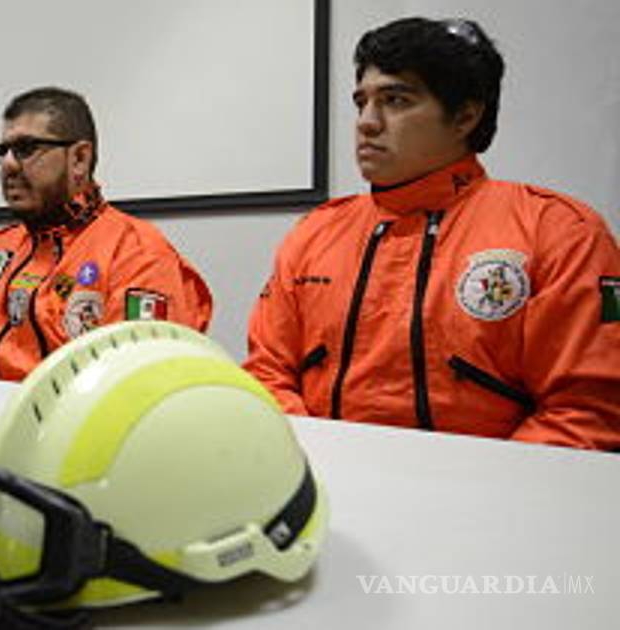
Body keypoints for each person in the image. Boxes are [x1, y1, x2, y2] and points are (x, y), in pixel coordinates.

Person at [244, 17, 620, 450]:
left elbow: (586, 410)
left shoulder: (559, 232)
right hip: (325, 479)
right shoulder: (315, 234)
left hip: (494, 489)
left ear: (465, 117)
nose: (366, 122)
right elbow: (267, 373)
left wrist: (475, 486)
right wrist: (314, 463)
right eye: (361, 102)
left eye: (395, 100)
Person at [0, 86, 213, 381]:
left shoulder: (137, 253)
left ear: (79, 159)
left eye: (26, 148)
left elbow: (137, 382)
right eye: (3, 151)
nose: (8, 164)